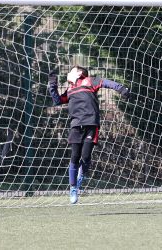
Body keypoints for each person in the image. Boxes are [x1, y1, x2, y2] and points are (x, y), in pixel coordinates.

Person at [48, 65, 130, 204]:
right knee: (75, 156)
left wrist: (121, 89)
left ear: (80, 73)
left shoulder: (89, 81)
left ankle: (82, 174)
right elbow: (57, 100)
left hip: (91, 124)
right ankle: (73, 188)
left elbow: (107, 83)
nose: (69, 73)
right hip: (76, 126)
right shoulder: (69, 90)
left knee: (85, 157)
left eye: (71, 71)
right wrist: (52, 83)